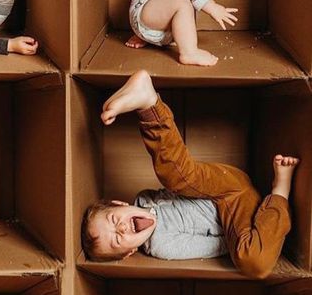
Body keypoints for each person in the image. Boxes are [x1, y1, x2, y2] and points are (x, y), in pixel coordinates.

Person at [81, 70, 299, 280]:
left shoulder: (145, 198)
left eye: (113, 219)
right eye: (118, 239)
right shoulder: (162, 245)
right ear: (130, 252)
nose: (121, 228)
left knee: (178, 178)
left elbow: (191, 180)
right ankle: (280, 192)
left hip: (224, 185)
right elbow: (216, 245)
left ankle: (149, 105)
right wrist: (248, 232)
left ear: (119, 203)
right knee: (253, 263)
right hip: (238, 216)